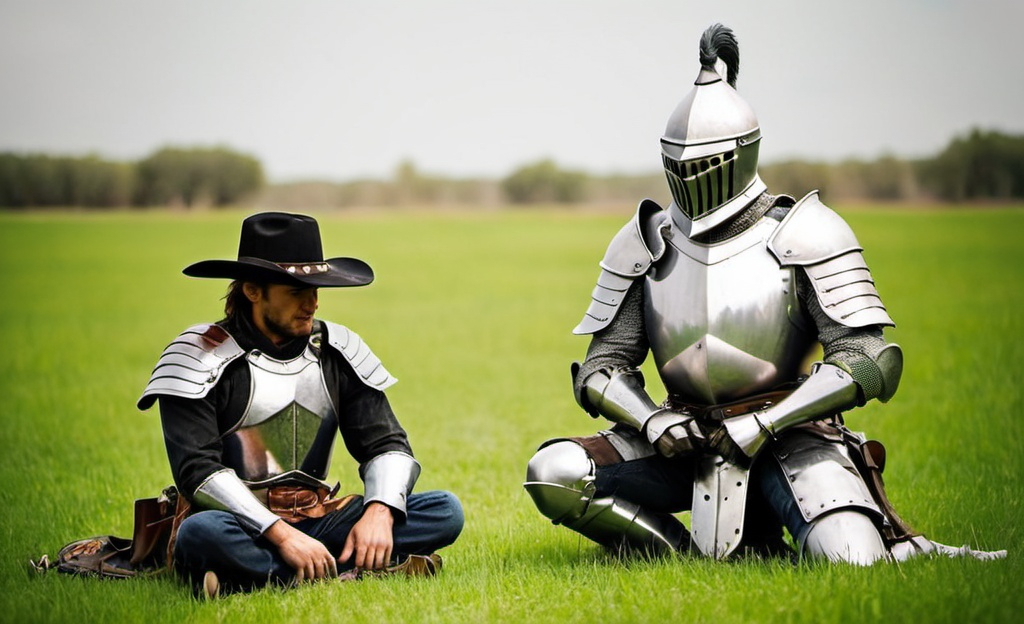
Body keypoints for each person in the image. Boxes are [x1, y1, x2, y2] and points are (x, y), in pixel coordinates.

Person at [523, 24, 1004, 565]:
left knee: (852, 560)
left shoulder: (806, 233)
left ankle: (902, 549)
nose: (690, 177)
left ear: (742, 153)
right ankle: (677, 556)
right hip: (681, 437)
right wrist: (654, 420)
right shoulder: (645, 241)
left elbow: (871, 360)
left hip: (787, 435)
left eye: (703, 163)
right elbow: (600, 368)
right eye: (678, 164)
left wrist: (766, 422)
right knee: (554, 473)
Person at [138, 212, 464, 597]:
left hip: (318, 518)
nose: (312, 303)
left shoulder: (336, 351)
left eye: (315, 289)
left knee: (444, 510)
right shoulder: (199, 356)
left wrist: (379, 512)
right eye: (296, 292)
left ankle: (254, 576)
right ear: (253, 291)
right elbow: (197, 472)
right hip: (239, 524)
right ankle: (349, 565)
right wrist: (281, 535)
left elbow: (386, 444)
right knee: (200, 533)